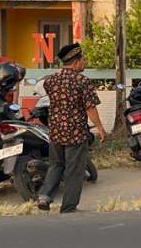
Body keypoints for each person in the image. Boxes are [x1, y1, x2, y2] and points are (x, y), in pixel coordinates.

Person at [36, 43, 106, 213]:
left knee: (56, 165)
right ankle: (68, 207)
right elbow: (90, 108)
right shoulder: (82, 81)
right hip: (75, 133)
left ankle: (44, 196)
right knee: (74, 171)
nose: (85, 62)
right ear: (76, 62)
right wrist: (100, 128)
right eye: (83, 59)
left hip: (56, 131)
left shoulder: (51, 80)